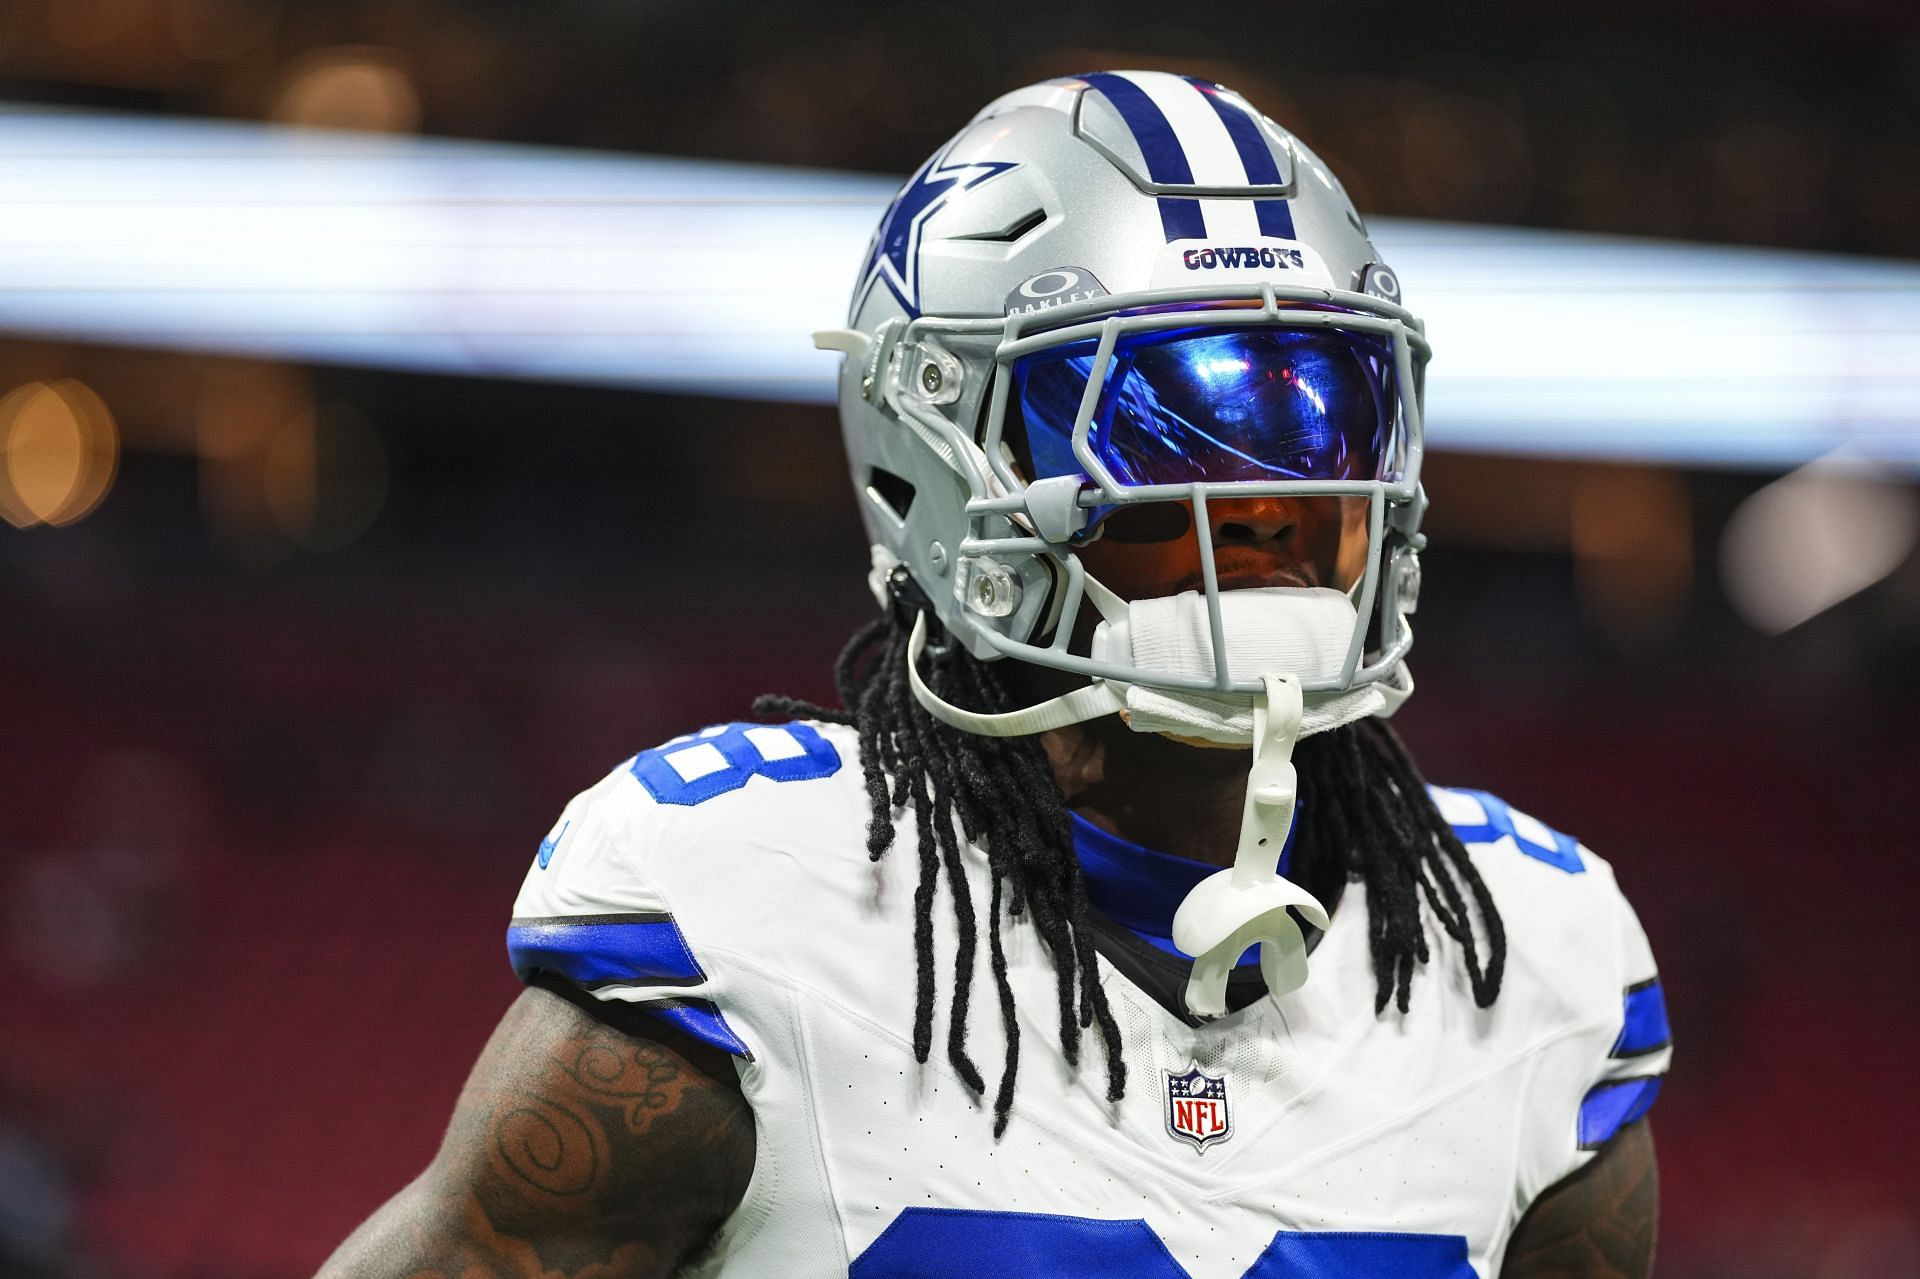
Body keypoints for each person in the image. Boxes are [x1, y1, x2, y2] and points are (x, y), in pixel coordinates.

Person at [320, 70, 1670, 1279]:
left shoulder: (1530, 968)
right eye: (1157, 420)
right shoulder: (761, 906)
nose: (1268, 495)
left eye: (1321, 407)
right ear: (939, 465)